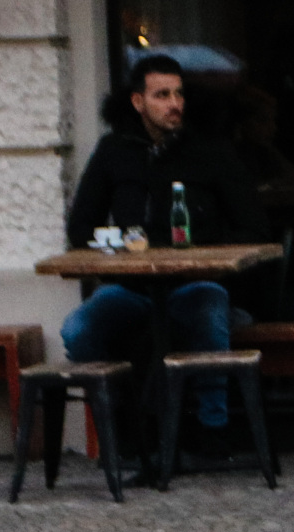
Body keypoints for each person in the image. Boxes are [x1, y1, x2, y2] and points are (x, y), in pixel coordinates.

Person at [62, 54, 269, 447]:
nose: (174, 103)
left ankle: (214, 429)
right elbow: (79, 228)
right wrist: (119, 245)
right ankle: (120, 427)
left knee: (208, 310)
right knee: (79, 329)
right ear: (138, 102)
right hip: (132, 287)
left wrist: (204, 250)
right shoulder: (114, 150)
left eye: (178, 94)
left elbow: (254, 226)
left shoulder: (210, 151)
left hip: (195, 282)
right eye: (161, 95)